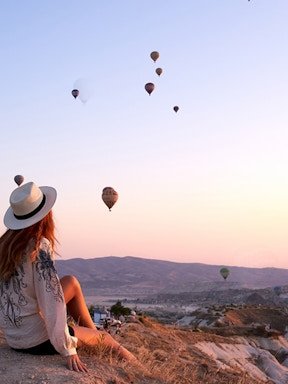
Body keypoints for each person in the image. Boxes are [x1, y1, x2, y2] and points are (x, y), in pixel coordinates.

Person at [0, 178, 139, 372]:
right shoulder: (39, 247)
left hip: (15, 336)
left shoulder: (4, 246)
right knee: (107, 339)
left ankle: (91, 335)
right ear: (44, 215)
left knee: (71, 282)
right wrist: (68, 348)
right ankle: (141, 369)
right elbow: (51, 299)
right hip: (36, 341)